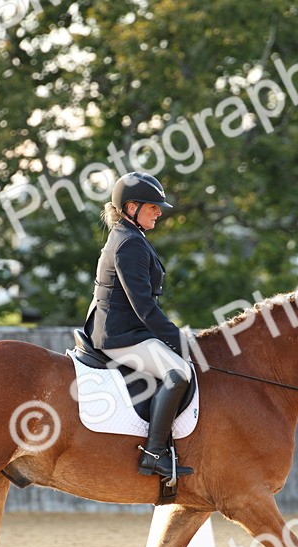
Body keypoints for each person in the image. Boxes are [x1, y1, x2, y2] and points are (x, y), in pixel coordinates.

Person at [83, 171, 194, 481]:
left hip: (127, 328)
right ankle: (153, 453)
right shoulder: (128, 244)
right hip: (118, 334)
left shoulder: (131, 236)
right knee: (178, 372)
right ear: (131, 207)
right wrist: (179, 342)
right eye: (153, 207)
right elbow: (143, 306)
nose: (159, 212)